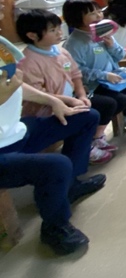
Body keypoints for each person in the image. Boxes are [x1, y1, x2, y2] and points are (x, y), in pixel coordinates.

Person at [0, 0, 105, 256]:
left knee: (86, 116)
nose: (2, 4)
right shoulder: (29, 57)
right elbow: (9, 88)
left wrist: (56, 101)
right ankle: (55, 227)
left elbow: (16, 84)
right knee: (55, 165)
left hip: (15, 131)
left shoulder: (2, 46)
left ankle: (71, 185)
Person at [16, 10, 115, 164]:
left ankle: (90, 143)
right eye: (52, 30)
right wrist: (70, 101)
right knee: (87, 115)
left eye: (58, 28)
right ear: (32, 35)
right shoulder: (28, 61)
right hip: (45, 111)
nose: (59, 33)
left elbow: (75, 74)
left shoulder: (61, 51)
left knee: (105, 104)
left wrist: (81, 95)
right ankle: (82, 152)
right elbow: (38, 94)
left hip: (70, 99)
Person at [63, 0, 126, 134]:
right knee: (118, 101)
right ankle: (97, 135)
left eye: (99, 11)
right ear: (77, 17)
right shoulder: (74, 43)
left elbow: (120, 55)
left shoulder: (103, 31)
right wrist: (104, 75)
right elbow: (76, 71)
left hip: (112, 79)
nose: (98, 15)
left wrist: (112, 45)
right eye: (92, 13)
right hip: (93, 85)